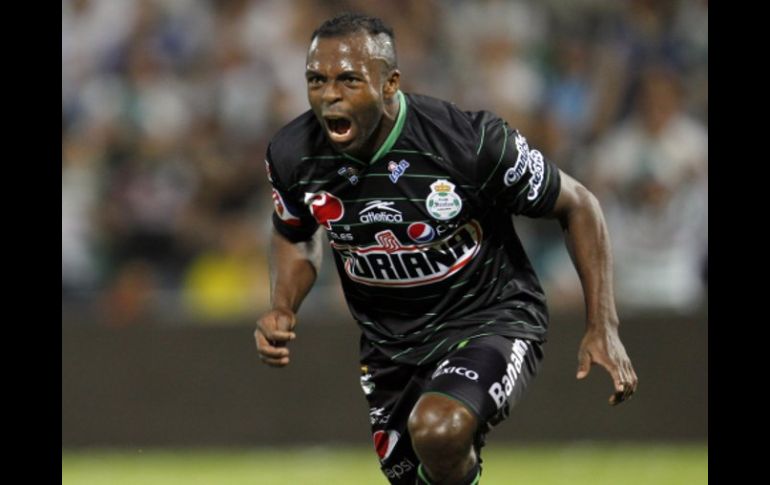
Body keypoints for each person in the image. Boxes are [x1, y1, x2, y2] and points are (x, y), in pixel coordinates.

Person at [255, 13, 638, 485]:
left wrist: (603, 325)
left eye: (348, 80)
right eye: (316, 80)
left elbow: (579, 205)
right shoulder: (293, 154)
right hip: (389, 348)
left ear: (390, 83)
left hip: (489, 318)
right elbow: (294, 232)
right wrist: (282, 308)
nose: (328, 94)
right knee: (425, 472)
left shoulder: (468, 143)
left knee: (438, 429)